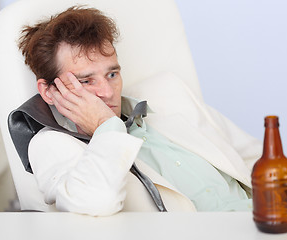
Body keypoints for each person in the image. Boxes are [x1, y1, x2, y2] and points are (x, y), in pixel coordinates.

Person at [14, 6, 263, 216]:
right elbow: (94, 202)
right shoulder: (49, 145)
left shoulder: (169, 91)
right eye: (86, 81)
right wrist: (105, 125)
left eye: (112, 74)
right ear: (48, 92)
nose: (108, 92)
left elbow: (257, 157)